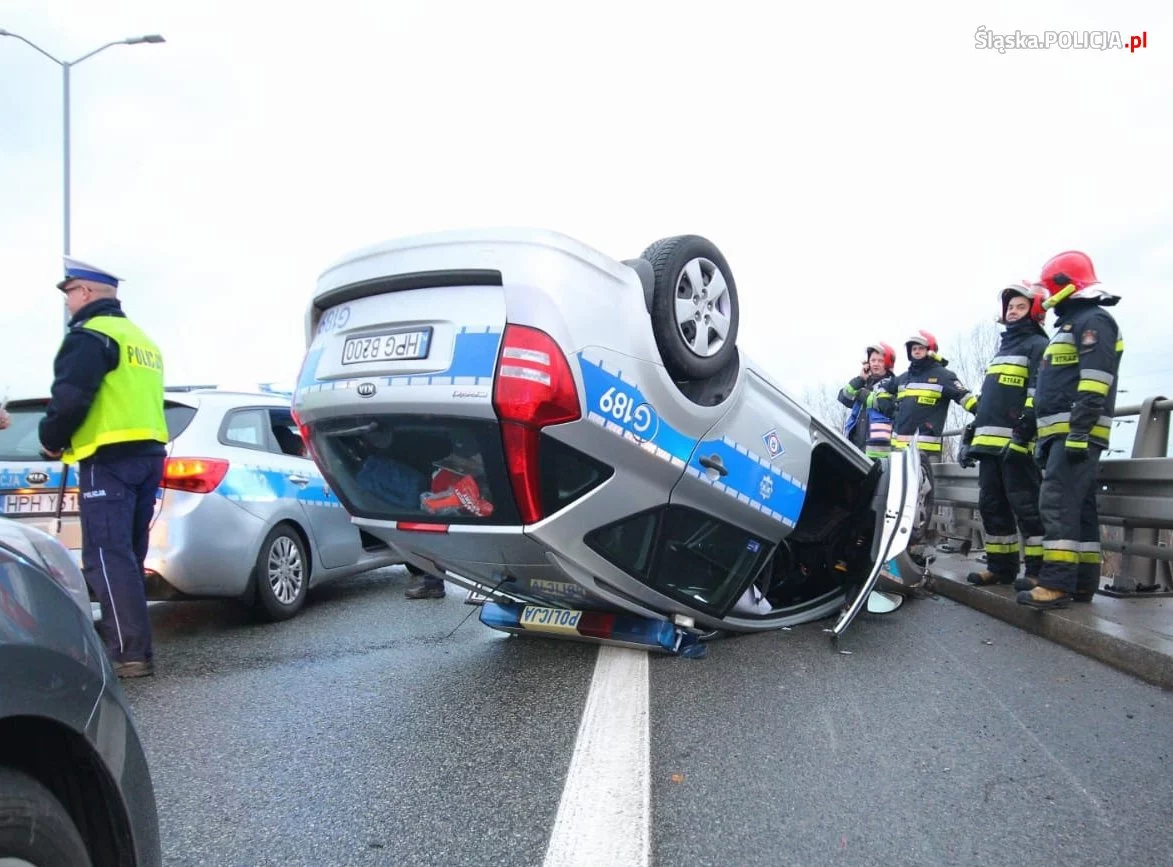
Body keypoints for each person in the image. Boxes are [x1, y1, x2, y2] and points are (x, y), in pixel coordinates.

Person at [39, 256, 168, 678]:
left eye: (70, 294)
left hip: (108, 458)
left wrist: (51, 440)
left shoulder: (90, 336)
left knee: (107, 558)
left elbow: (71, 397)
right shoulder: (140, 339)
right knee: (128, 556)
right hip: (148, 456)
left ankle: (129, 654)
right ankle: (135, 645)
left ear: (87, 293)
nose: (68, 304)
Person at [1016, 251, 1123, 609]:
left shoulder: (1094, 322)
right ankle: (1081, 583)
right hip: (1062, 435)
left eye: (1047, 289)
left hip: (1075, 435)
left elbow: (1094, 383)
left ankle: (1056, 584)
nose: (1044, 298)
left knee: (1057, 505)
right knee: (1080, 510)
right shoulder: (1072, 325)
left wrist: (1078, 432)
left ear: (1064, 287)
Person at [959, 282, 1050, 587]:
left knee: (1027, 508)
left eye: (1020, 306)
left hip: (1017, 445)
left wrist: (1023, 435)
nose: (1012, 311)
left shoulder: (1038, 346)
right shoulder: (1003, 350)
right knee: (992, 507)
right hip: (989, 447)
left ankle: (1038, 572)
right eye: (1010, 307)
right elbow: (990, 403)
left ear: (1035, 311)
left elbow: (1038, 393)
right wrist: (970, 437)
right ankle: (1001, 568)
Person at [870, 331, 978, 546]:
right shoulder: (904, 378)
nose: (916, 351)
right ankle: (895, 539)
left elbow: (964, 397)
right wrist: (884, 403)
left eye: (919, 347)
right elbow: (881, 387)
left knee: (920, 500)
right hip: (899, 452)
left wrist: (984, 414)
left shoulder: (943, 375)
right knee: (897, 497)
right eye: (912, 348)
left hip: (925, 452)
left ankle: (916, 543)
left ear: (930, 349)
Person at [837, 342, 896, 459]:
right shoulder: (864, 383)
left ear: (888, 363)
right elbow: (844, 397)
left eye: (880, 361)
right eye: (873, 360)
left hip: (879, 454)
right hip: (854, 448)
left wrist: (866, 396)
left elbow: (891, 408)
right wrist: (860, 379)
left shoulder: (894, 384)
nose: (876, 364)